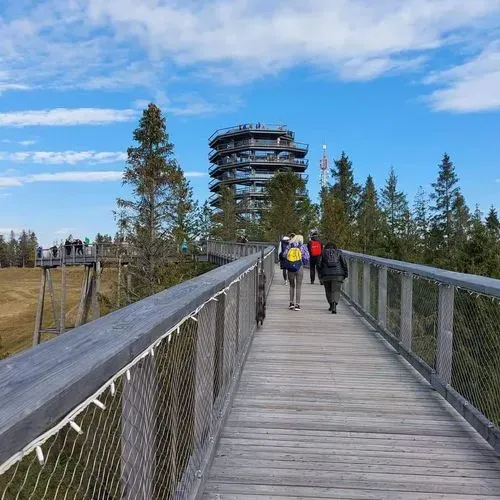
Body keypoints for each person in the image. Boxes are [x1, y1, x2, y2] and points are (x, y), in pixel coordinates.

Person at [317, 242, 348, 314]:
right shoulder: (339, 252)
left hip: (326, 275)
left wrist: (320, 274)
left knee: (328, 290)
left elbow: (318, 264)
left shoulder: (323, 253)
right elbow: (344, 263)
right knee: (336, 290)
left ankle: (331, 304)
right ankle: (334, 304)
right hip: (338, 275)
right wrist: (346, 274)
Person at [283, 234, 310, 311]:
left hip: (290, 267)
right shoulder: (303, 246)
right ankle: (297, 305)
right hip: (299, 267)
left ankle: (291, 303)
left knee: (291, 285)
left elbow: (284, 255)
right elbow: (307, 257)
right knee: (299, 286)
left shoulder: (289, 245)